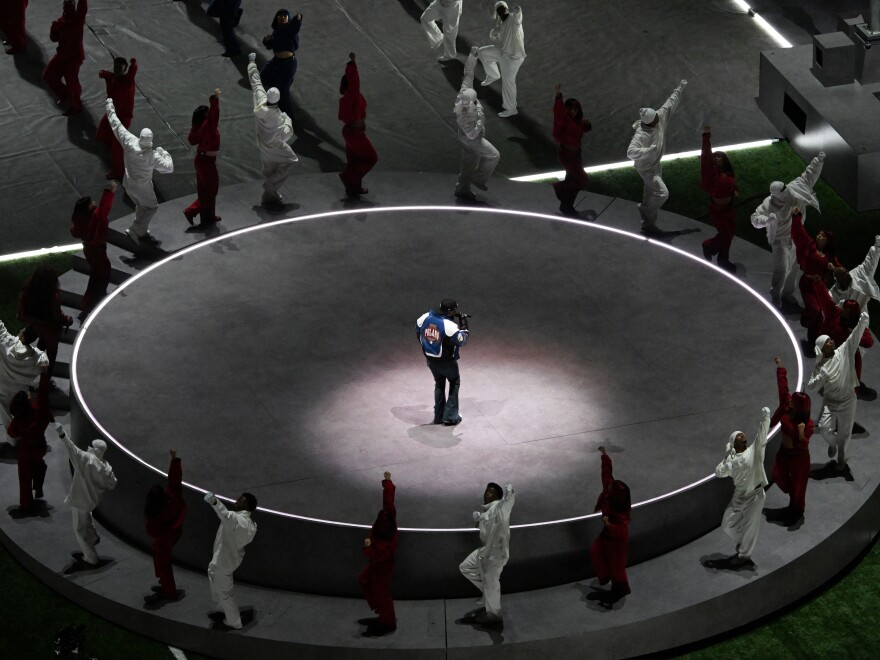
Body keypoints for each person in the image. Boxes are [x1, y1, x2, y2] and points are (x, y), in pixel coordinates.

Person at [750, 152, 826, 308]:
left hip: (796, 237)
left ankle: (787, 294)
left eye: (786, 189)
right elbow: (754, 219)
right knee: (781, 268)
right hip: (779, 241)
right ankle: (776, 294)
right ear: (775, 196)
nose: (787, 193)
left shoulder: (794, 191)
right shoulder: (768, 204)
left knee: (794, 265)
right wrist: (767, 220)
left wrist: (818, 160)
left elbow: (808, 175)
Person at [703, 406, 771, 569]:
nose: (742, 434)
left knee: (750, 526)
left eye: (742, 434)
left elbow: (761, 436)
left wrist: (765, 418)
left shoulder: (754, 452)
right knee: (727, 523)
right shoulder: (731, 461)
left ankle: (743, 556)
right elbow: (719, 473)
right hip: (739, 496)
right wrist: (726, 458)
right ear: (733, 442)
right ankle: (743, 543)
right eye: (738, 435)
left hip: (755, 495)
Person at [105, 98, 174, 245]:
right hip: (142, 187)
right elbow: (169, 168)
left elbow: (116, 124)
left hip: (128, 184)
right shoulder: (152, 156)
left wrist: (109, 104)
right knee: (151, 207)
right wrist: (164, 153)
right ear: (150, 141)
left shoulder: (129, 141)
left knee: (142, 206)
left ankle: (140, 230)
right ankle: (135, 230)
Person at [810, 311, 871, 472]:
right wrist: (820, 377)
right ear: (822, 348)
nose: (832, 341)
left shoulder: (844, 351)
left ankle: (842, 460)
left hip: (848, 400)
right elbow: (810, 386)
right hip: (830, 402)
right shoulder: (820, 367)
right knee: (823, 427)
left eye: (830, 340)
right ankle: (832, 443)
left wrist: (863, 322)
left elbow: (855, 337)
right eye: (828, 341)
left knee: (845, 431)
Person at [626, 80, 687, 235]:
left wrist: (679, 88)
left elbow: (669, 104)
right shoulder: (641, 134)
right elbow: (630, 152)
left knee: (649, 193)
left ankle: (648, 224)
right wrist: (647, 151)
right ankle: (644, 210)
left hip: (655, 164)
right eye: (655, 121)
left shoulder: (658, 117)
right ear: (650, 123)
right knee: (662, 193)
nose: (659, 120)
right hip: (646, 169)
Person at [56, 422, 117, 566]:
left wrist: (62, 433)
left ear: (95, 450)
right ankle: (93, 535)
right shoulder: (107, 468)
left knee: (79, 528)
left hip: (80, 499)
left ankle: (91, 558)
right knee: (87, 516)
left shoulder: (87, 460)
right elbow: (113, 483)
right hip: (92, 500)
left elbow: (72, 449)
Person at [459, 482, 515, 628]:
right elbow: (485, 523)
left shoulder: (499, 507)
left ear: (497, 496)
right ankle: (486, 593)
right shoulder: (487, 511)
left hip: (495, 554)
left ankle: (494, 617)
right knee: (465, 567)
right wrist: (479, 519)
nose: (487, 493)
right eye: (486, 491)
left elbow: (507, 503)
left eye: (491, 492)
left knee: (492, 586)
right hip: (485, 551)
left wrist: (510, 492)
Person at [247, 52, 298, 207]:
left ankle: (270, 195)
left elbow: (255, 82)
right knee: (291, 160)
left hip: (262, 142)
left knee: (271, 169)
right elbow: (286, 134)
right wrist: (288, 120)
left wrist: (252, 62)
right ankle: (270, 188)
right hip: (275, 145)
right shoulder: (278, 118)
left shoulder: (260, 101)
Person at [767, 357, 813, 526]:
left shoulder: (807, 425)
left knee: (798, 488)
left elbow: (803, 444)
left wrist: (800, 433)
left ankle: (795, 511)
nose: (790, 402)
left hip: (799, 458)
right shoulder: (787, 406)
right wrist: (781, 368)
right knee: (777, 474)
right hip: (784, 454)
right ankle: (792, 501)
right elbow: (783, 388)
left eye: (794, 402)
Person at [204, 491, 257, 630]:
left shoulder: (235, 519)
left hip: (223, 560)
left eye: (241, 500)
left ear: (248, 506)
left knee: (225, 593)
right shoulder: (251, 525)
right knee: (213, 576)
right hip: (230, 559)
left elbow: (225, 514)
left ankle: (234, 621)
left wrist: (214, 501)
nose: (237, 501)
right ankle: (222, 605)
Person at [453, 46, 499, 200]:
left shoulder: (464, 92)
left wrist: (473, 56)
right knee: (493, 155)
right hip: (472, 138)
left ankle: (462, 189)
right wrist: (480, 120)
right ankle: (478, 179)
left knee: (469, 164)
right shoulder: (464, 115)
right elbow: (472, 134)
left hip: (467, 138)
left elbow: (468, 73)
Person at [415, 298, 469, 425]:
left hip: (430, 360)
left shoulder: (423, 318)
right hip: (447, 362)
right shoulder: (449, 326)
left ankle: (439, 416)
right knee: (454, 382)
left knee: (439, 383)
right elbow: (463, 340)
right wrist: (464, 323)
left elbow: (419, 334)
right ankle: (450, 416)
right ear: (452, 311)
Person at [144, 449, 187, 605]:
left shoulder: (154, 515)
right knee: (159, 556)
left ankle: (169, 591)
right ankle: (163, 582)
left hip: (164, 538)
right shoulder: (172, 497)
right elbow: (175, 479)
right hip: (174, 533)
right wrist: (174, 460)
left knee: (164, 564)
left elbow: (151, 531)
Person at [5, 374, 52, 515]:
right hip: (40, 446)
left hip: (26, 449)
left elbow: (11, 433)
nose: (30, 395)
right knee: (39, 465)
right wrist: (44, 372)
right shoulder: (39, 410)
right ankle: (38, 486)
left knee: (24, 476)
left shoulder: (18, 420)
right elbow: (43, 392)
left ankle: (26, 503)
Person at [589, 446, 631, 604]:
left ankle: (620, 589)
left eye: (612, 487)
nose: (610, 485)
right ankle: (605, 577)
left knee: (617, 568)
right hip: (607, 535)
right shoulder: (609, 490)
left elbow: (622, 533)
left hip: (617, 542)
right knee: (595, 552)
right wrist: (604, 455)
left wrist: (609, 525)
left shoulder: (621, 517)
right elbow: (607, 473)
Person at [69, 182, 117, 321]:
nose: (94, 203)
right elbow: (104, 210)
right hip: (97, 250)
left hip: (88, 250)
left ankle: (91, 300)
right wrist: (109, 191)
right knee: (101, 274)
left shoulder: (79, 218)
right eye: (92, 202)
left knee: (97, 274)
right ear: (88, 206)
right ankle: (90, 301)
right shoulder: (95, 215)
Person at [359, 471, 397, 637]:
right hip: (377, 564)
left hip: (382, 567)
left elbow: (374, 554)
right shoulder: (388, 516)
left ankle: (387, 622)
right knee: (363, 580)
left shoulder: (385, 543)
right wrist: (387, 483)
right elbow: (388, 501)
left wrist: (368, 545)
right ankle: (380, 610)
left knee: (382, 594)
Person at [17, 266, 72, 376]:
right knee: (50, 357)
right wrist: (67, 320)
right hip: (49, 329)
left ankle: (32, 371)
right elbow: (57, 316)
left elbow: (21, 312)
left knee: (41, 346)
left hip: (34, 325)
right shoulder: (52, 296)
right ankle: (45, 385)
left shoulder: (27, 292)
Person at [338, 52, 378, 199]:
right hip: (356, 134)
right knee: (371, 158)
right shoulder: (352, 95)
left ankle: (354, 188)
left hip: (349, 132)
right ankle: (349, 177)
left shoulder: (345, 99)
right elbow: (355, 81)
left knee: (355, 160)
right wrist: (352, 63)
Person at [699, 125, 738, 272]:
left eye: (719, 155)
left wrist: (734, 191)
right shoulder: (711, 173)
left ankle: (723, 257)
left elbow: (733, 185)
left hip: (729, 208)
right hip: (718, 210)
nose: (716, 157)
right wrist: (706, 136)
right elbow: (706, 155)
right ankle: (708, 245)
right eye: (715, 156)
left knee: (730, 233)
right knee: (725, 233)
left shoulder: (728, 174)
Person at [477, 2, 525, 118]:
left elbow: (518, 16)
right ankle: (493, 75)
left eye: (502, 9)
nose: (501, 12)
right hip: (503, 52)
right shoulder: (502, 25)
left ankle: (511, 108)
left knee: (508, 83)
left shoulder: (513, 19)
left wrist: (518, 10)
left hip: (513, 58)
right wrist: (493, 35)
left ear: (507, 9)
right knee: (482, 52)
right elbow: (500, 41)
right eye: (498, 11)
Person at [183, 91, 222, 229]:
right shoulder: (208, 126)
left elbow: (191, 140)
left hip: (201, 160)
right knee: (212, 190)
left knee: (204, 190)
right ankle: (191, 210)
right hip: (207, 163)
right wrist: (215, 99)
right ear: (206, 115)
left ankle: (208, 217)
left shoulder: (198, 127)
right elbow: (214, 115)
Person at [552, 83, 592, 217]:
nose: (573, 111)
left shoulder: (577, 122)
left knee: (572, 180)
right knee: (582, 181)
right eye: (570, 109)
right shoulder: (564, 120)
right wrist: (558, 96)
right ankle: (560, 188)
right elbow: (558, 113)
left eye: (575, 109)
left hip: (575, 156)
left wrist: (585, 125)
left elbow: (580, 128)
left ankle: (566, 207)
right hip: (568, 157)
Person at [42, 0, 88, 115]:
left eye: (71, 3)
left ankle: (76, 106)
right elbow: (54, 39)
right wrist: (54, 30)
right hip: (62, 54)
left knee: (72, 82)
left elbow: (83, 6)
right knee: (48, 75)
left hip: (73, 57)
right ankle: (65, 94)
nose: (68, 5)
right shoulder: (62, 20)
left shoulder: (78, 18)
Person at [96, 57, 138, 179]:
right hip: (113, 113)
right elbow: (105, 74)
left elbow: (132, 72)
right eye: (116, 67)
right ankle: (111, 145)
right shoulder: (113, 77)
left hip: (123, 117)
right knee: (102, 132)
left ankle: (119, 171)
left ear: (125, 69)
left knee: (117, 146)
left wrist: (133, 65)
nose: (117, 69)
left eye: (120, 68)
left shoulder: (128, 81)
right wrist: (102, 73)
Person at [0, 321, 47, 427]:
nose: (20, 330)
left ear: (23, 335)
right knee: (21, 413)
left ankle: (12, 438)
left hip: (2, 385)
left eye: (22, 330)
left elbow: (1, 330)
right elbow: (44, 363)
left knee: (4, 412)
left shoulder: (6, 342)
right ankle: (23, 433)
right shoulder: (36, 357)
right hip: (19, 390)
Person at [261, 9, 302, 118]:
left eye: (285, 16)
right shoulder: (276, 32)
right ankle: (276, 97)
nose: (282, 17)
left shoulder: (290, 30)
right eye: (280, 16)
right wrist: (267, 40)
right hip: (276, 62)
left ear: (288, 18)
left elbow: (295, 26)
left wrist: (297, 18)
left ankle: (289, 117)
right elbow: (270, 46)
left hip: (288, 64)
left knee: (283, 93)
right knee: (264, 77)